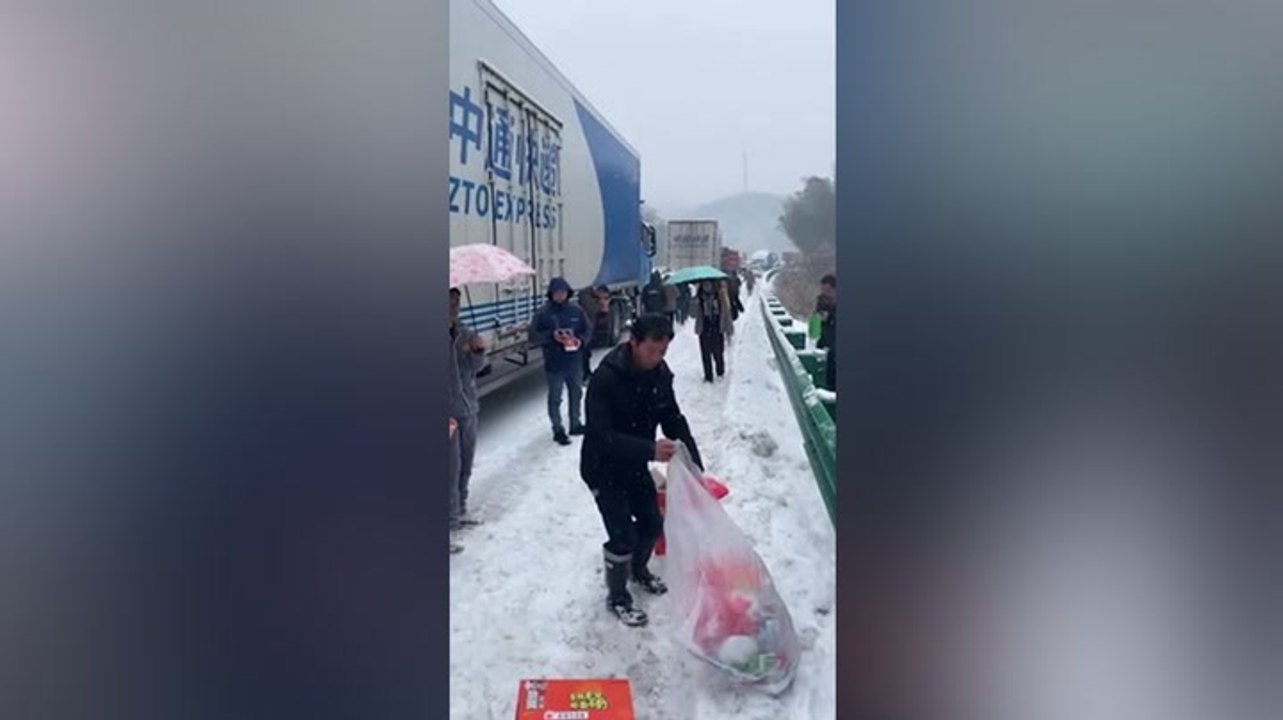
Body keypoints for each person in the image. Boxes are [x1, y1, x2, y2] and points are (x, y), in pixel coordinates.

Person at [580, 313, 704, 627]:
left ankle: (639, 569)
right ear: (633, 342)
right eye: (652, 350)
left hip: (634, 463)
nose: (656, 358)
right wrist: (650, 449)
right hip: (603, 467)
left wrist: (694, 464)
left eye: (662, 352)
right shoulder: (605, 378)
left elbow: (673, 418)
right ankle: (618, 597)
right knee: (622, 534)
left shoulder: (660, 375)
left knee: (651, 523)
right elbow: (600, 435)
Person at [530, 277, 592, 445]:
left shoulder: (576, 311)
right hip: (554, 362)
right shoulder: (543, 313)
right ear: (551, 294)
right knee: (555, 397)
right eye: (557, 293)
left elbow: (587, 330)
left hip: (574, 361)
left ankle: (575, 423)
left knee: (576, 393)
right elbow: (533, 336)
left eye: (563, 292)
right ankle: (557, 429)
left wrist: (580, 341)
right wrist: (551, 336)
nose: (560, 295)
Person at [449, 287, 487, 552]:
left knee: (466, 462)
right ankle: (448, 521)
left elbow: (476, 369)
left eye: (456, 303)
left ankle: (460, 510)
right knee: (449, 469)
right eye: (449, 303)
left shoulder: (464, 330)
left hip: (468, 407)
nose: (453, 307)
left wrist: (477, 351)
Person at [694, 279, 733, 382]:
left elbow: (726, 312)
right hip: (704, 328)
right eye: (704, 285)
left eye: (708, 285)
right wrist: (695, 303)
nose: (706, 287)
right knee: (705, 353)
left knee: (718, 352)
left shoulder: (720, 295)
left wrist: (728, 328)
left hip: (717, 327)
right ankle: (708, 375)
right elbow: (694, 314)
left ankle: (720, 371)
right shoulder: (700, 297)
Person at [815, 274, 837, 392]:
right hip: (825, 341)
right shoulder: (821, 301)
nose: (825, 293)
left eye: (828, 290)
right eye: (823, 289)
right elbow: (818, 321)